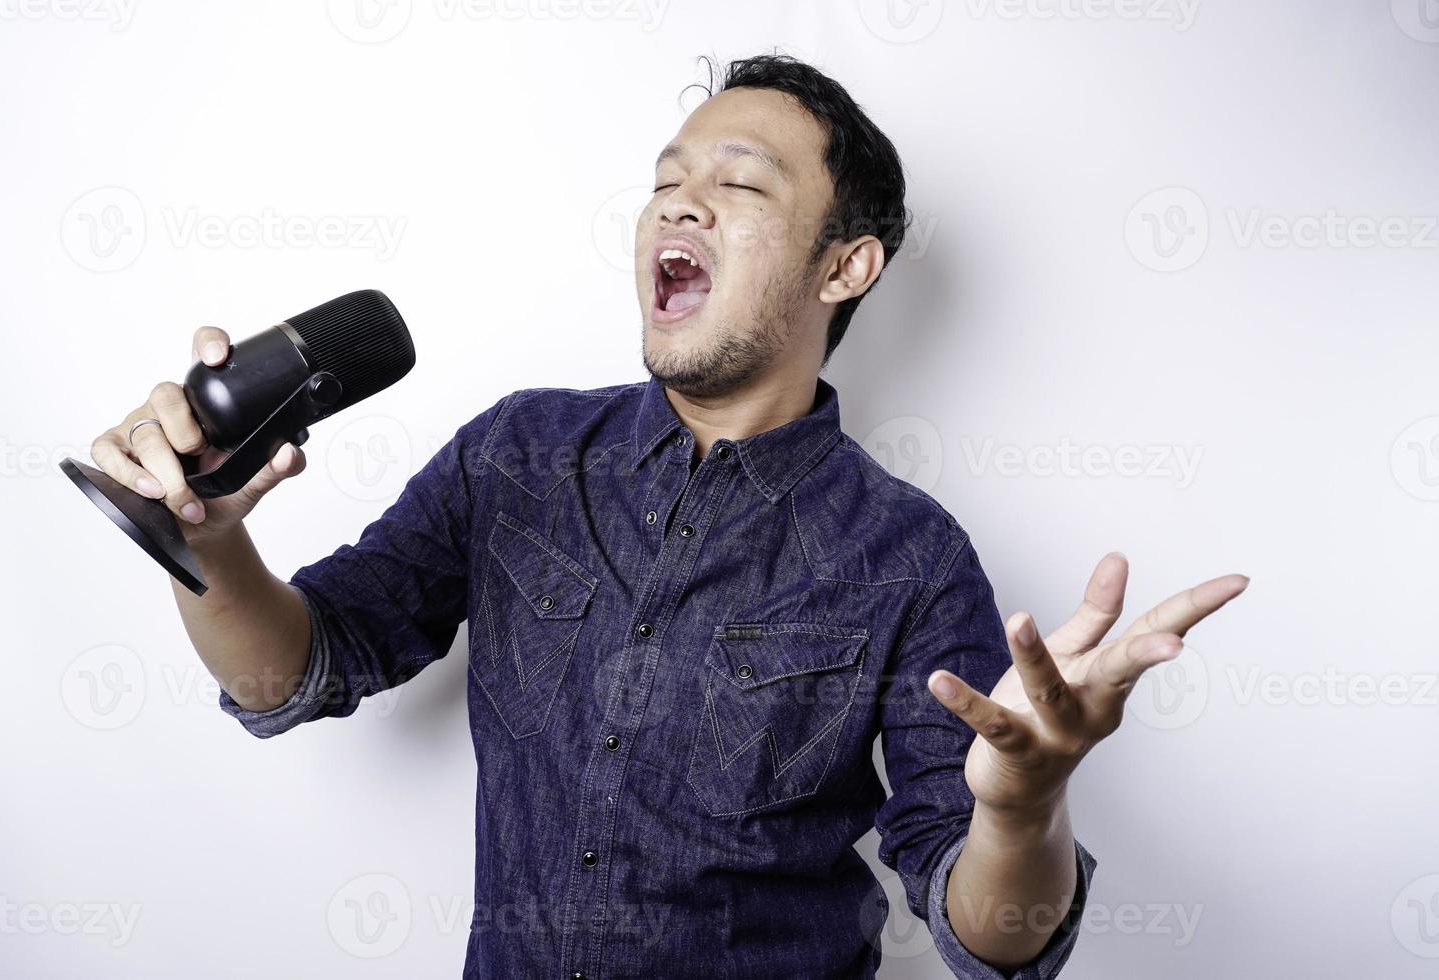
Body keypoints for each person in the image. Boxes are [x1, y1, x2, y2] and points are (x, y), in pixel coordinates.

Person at [88, 53, 1246, 978]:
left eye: (739, 183)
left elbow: (996, 932)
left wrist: (1024, 805)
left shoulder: (912, 557)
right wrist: (205, 536)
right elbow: (297, 670)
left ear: (846, 267)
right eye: (664, 181)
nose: (677, 203)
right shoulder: (517, 451)